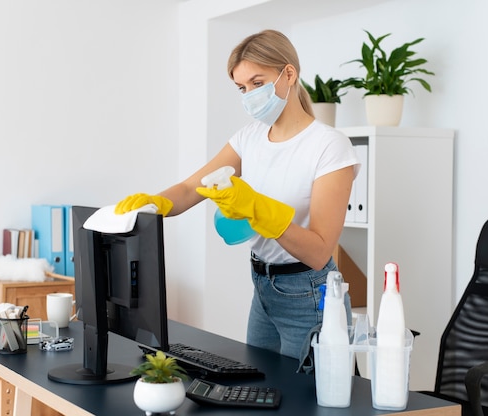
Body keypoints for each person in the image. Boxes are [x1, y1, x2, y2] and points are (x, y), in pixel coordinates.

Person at [114, 29, 360, 359]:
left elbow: (318, 252)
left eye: (258, 83)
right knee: (259, 392)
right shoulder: (250, 138)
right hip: (263, 285)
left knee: (306, 404)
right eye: (242, 88)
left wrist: (256, 208)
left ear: (289, 73)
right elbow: (191, 188)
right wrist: (156, 203)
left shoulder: (329, 146)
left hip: (308, 292)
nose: (249, 94)